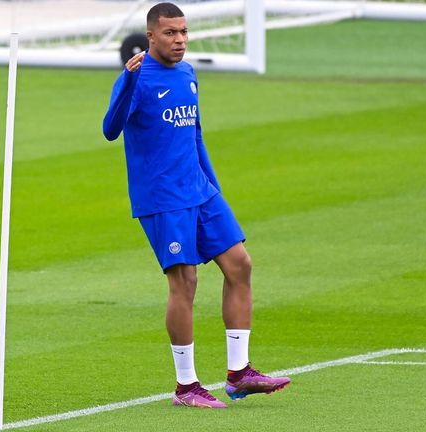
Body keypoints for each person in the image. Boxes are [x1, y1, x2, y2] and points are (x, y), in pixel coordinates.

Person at [102, 2, 290, 409]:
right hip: (163, 198)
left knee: (240, 265)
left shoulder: (187, 73)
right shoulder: (136, 77)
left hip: (200, 191)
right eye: (170, 33)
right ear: (151, 36)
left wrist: (214, 189)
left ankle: (239, 374)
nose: (180, 40)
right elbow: (110, 130)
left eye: (184, 32)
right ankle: (186, 386)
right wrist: (128, 80)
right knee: (185, 282)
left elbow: (196, 135)